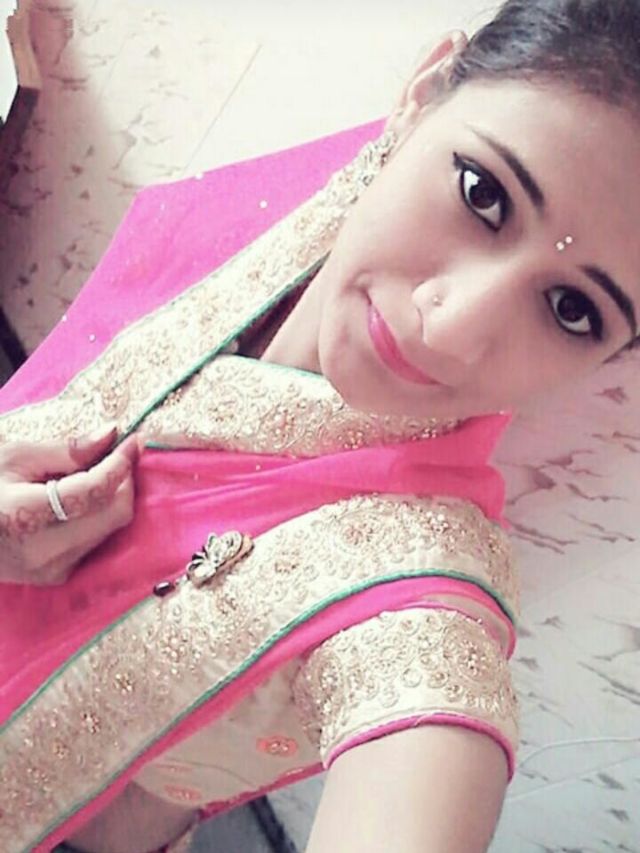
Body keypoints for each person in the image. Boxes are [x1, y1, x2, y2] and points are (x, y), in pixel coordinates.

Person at [2, 1, 640, 850]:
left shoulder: (418, 582)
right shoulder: (298, 210)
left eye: (571, 310)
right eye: (483, 195)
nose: (451, 329)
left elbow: (425, 717)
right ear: (421, 93)